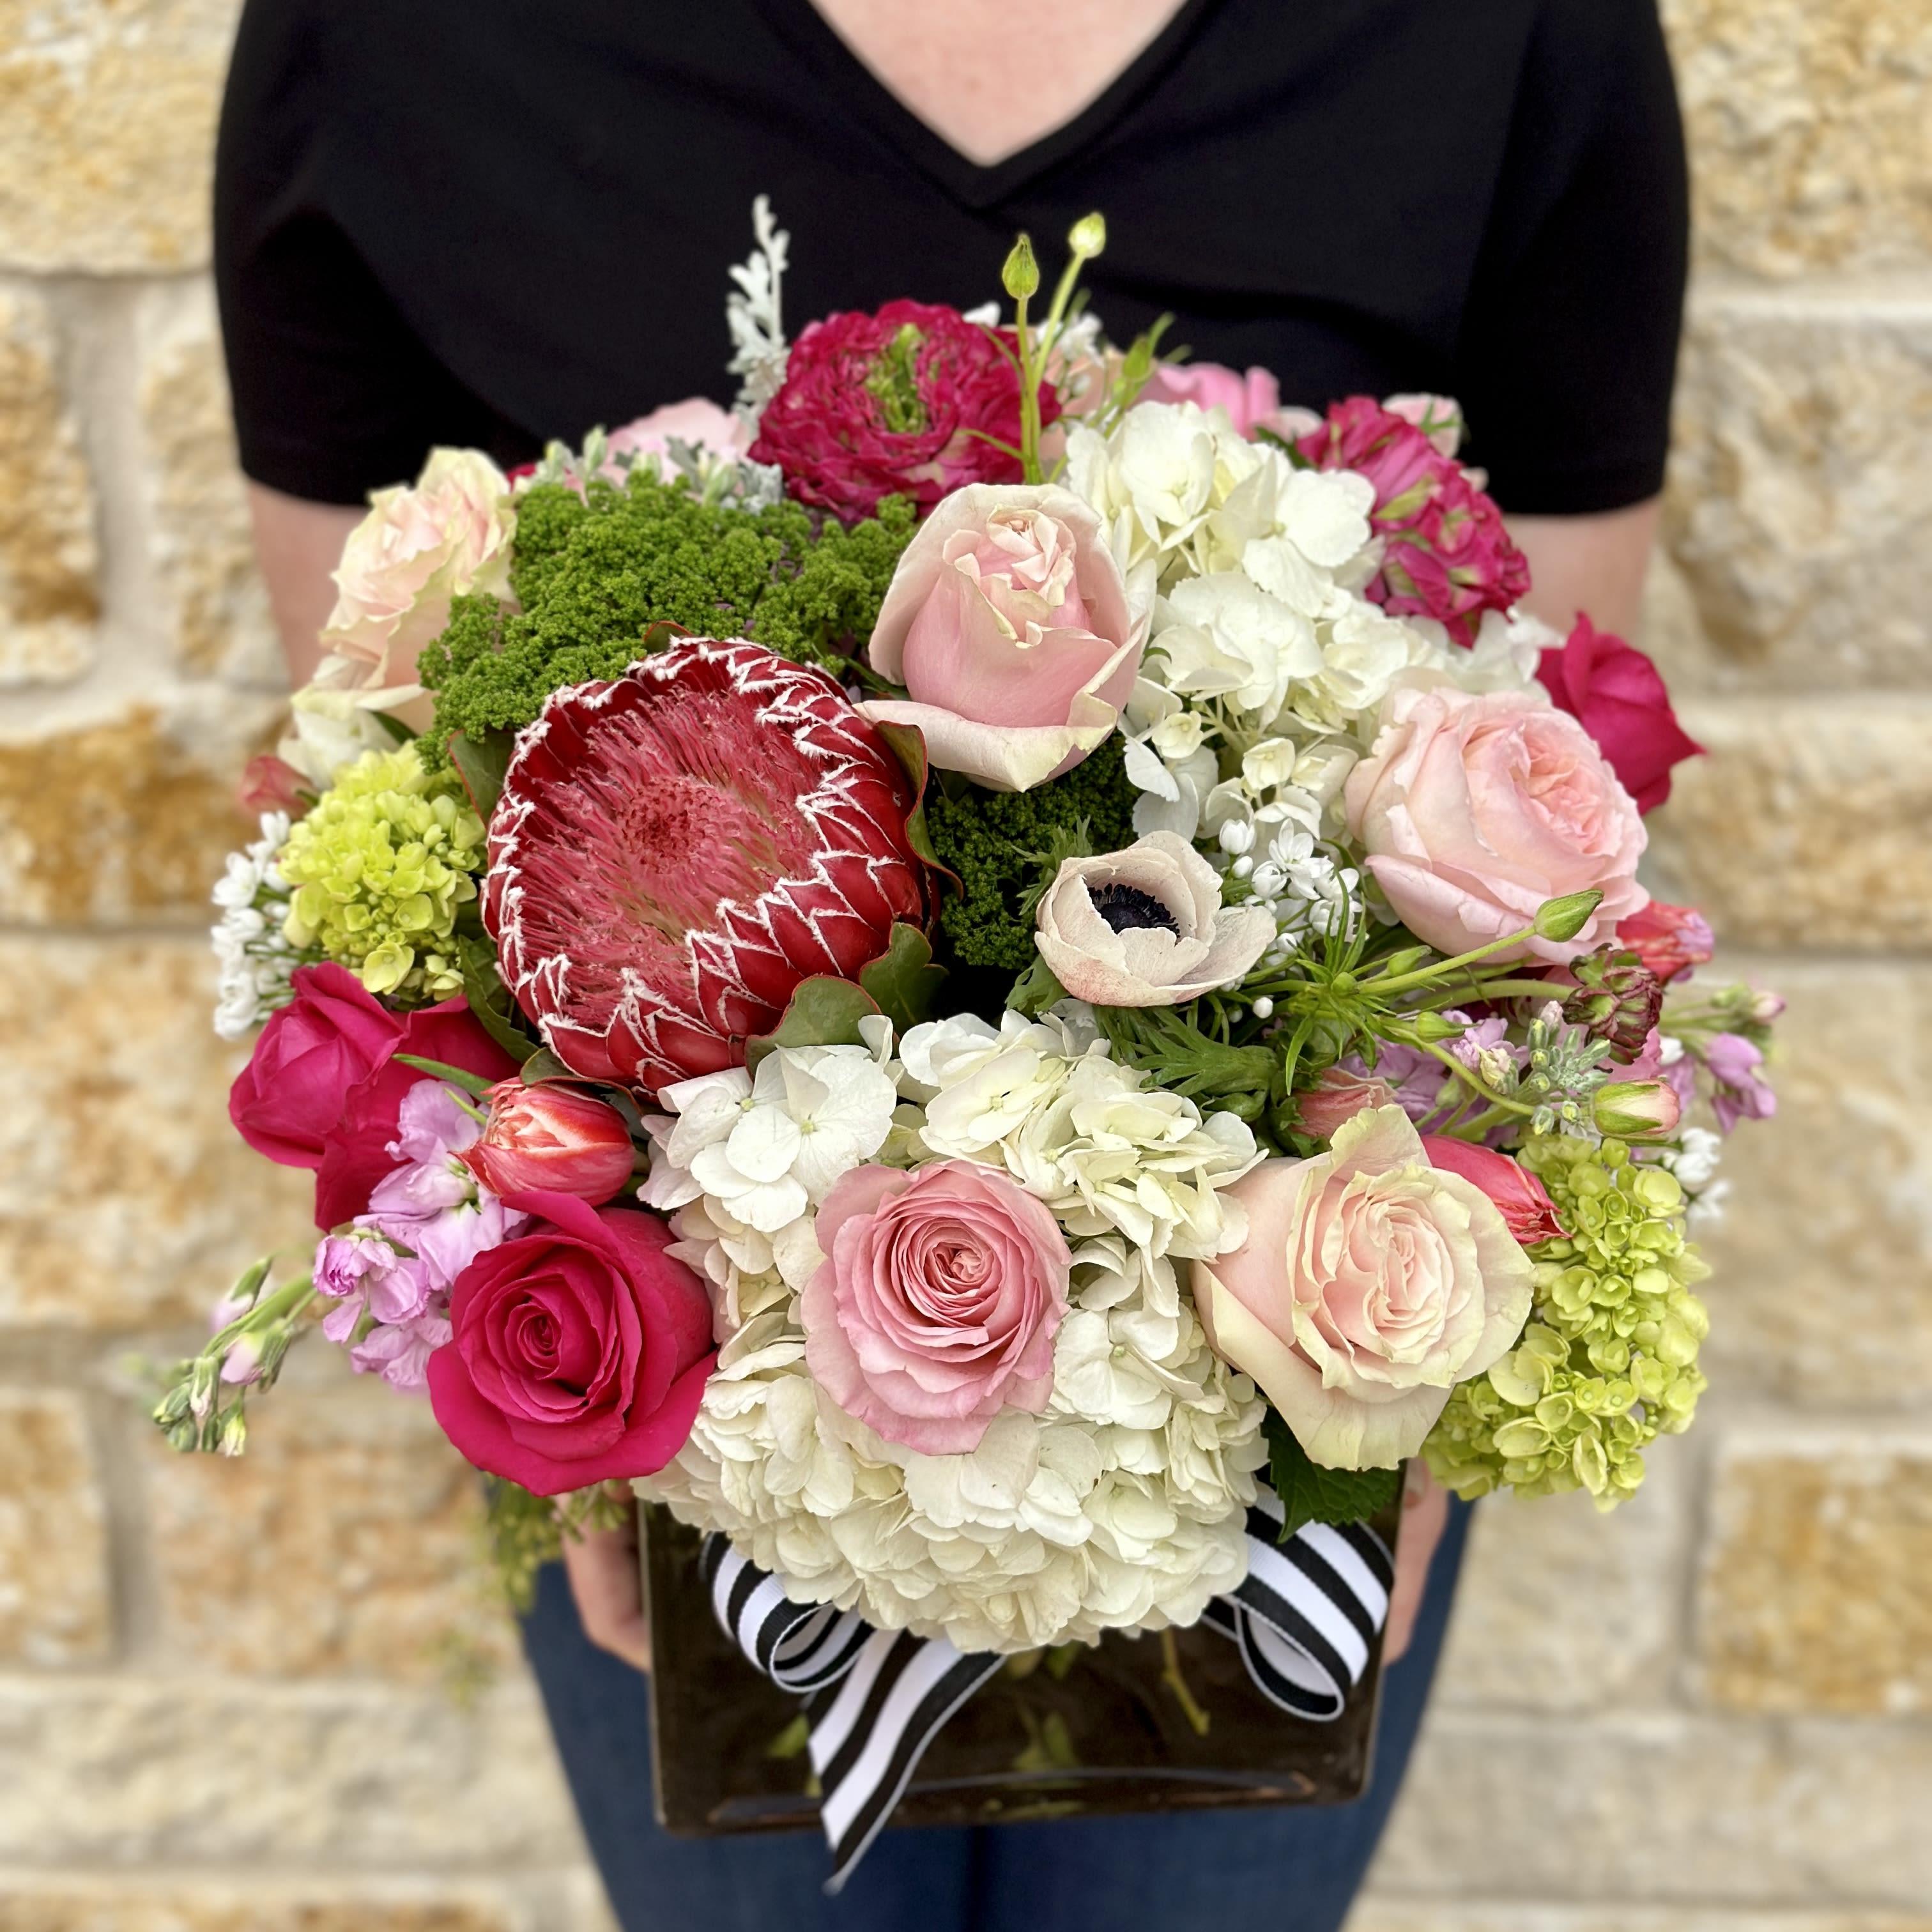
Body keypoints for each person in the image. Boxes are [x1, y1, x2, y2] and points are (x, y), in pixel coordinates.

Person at [214, 2, 1687, 1925]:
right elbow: (369, 763)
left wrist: (1405, 1349)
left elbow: (1551, 802)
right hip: (689, 1418)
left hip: (1277, 1432)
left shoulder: (1507, 35)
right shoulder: (386, 43)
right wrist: (581, 1413)